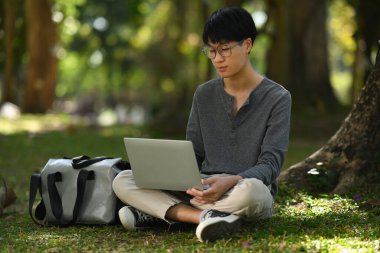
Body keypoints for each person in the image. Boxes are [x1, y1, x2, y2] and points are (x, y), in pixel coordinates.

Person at [112, 6, 291, 243]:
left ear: (247, 45)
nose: (217, 58)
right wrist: (176, 177)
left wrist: (231, 179)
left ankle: (163, 213)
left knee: (253, 192)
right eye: (211, 51)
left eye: (224, 49)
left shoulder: (277, 97)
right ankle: (207, 216)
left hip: (243, 189)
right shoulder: (204, 94)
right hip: (202, 189)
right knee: (123, 179)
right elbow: (193, 153)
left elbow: (270, 165)